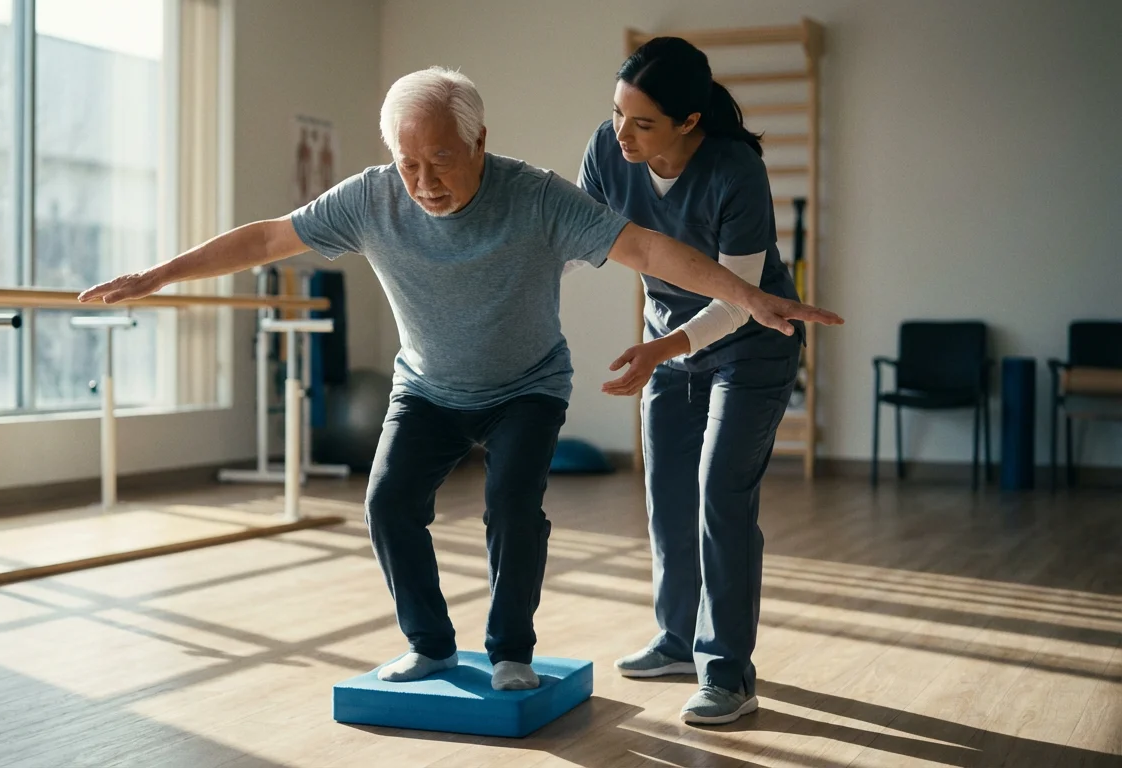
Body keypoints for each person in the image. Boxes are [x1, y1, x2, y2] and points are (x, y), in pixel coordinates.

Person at [80, 66, 842, 693]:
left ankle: (511, 651)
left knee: (512, 503)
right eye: (409, 163)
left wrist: (748, 295)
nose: (424, 181)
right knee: (386, 503)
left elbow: (646, 250)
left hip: (527, 386)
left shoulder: (537, 196)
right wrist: (157, 273)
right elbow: (270, 236)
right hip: (428, 388)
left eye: (441, 159)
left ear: (481, 141)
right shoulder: (373, 196)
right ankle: (432, 646)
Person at [578, 37, 811, 725]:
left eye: (641, 122)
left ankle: (728, 673)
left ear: (688, 122)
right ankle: (678, 639)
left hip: (749, 346)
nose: (621, 133)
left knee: (720, 496)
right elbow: (576, 240)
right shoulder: (606, 149)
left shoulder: (734, 169)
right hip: (668, 348)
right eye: (617, 113)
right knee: (668, 498)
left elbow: (738, 299)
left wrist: (664, 348)